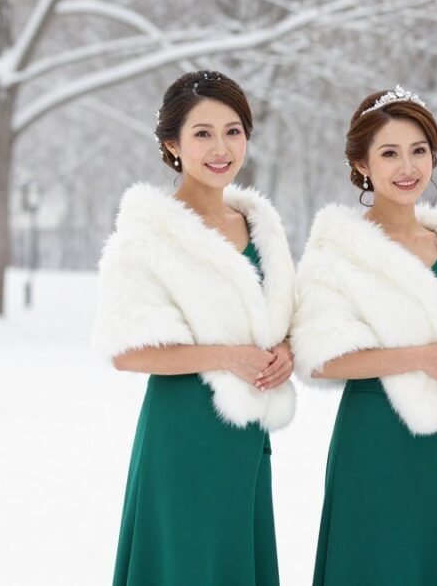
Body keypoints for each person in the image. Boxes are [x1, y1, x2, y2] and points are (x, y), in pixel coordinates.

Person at [93, 70, 296, 586]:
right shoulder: (148, 235)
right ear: (172, 144)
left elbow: (280, 319)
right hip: (182, 433)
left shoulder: (262, 228)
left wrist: (286, 350)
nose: (220, 148)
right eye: (202, 133)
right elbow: (127, 351)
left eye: (233, 131)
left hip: (246, 439)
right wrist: (227, 356)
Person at [292, 85, 437, 586]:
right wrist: (418, 358)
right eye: (389, 154)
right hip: (373, 441)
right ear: (361, 164)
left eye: (418, 151)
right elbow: (319, 357)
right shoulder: (339, 248)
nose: (407, 167)